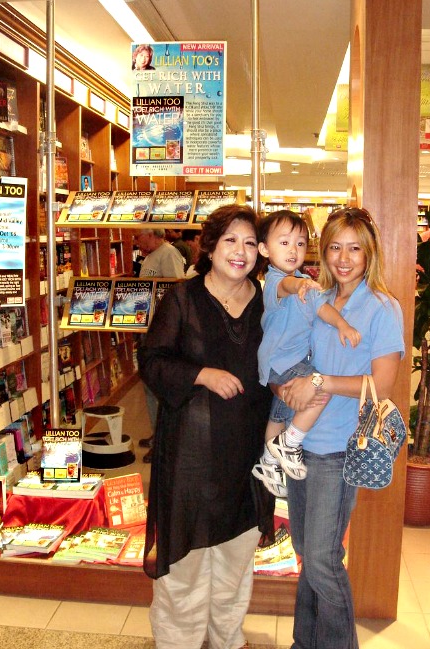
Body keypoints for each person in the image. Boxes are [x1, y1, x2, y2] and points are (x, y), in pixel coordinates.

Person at [137, 204, 274, 649]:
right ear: (210, 246)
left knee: (235, 565)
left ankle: (226, 640)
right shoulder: (183, 298)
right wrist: (201, 374)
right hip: (191, 461)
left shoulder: (270, 301)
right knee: (187, 567)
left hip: (248, 458)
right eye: (231, 240)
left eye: (250, 242)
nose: (241, 251)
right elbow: (152, 362)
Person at [276, 207, 404, 649]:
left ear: (369, 253)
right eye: (334, 247)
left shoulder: (383, 307)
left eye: (354, 248)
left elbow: (381, 385)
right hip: (300, 441)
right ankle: (304, 642)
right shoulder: (321, 300)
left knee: (324, 559)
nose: (343, 258)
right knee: (308, 556)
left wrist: (320, 382)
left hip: (338, 449)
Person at [252, 210, 361, 498]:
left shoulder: (305, 281)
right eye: (284, 242)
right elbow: (288, 287)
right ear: (264, 249)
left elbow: (323, 309)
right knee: (319, 391)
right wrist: (299, 284)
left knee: (280, 410)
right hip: (280, 360)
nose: (293, 250)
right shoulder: (276, 280)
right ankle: (290, 441)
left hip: (288, 361)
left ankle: (268, 461)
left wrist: (342, 324)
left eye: (300, 244)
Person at [135, 228, 186, 462]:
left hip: (161, 330)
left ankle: (164, 439)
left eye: (139, 236)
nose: (136, 240)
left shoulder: (169, 253)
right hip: (147, 326)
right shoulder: (150, 255)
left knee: (159, 385)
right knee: (149, 383)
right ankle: (158, 433)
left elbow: (177, 289)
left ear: (153, 234)